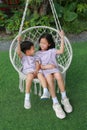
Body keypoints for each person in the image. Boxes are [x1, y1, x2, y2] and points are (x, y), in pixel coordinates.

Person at [35, 30, 73, 119]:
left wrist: (62, 38)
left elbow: (62, 50)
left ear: (49, 44)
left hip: (54, 68)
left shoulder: (52, 51)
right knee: (50, 80)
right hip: (45, 70)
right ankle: (55, 103)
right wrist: (45, 67)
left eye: (44, 43)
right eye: (41, 43)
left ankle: (64, 99)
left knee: (59, 76)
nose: (42, 45)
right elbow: (38, 65)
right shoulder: (38, 53)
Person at [17, 36, 51, 109]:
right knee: (29, 76)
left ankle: (45, 91)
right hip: (28, 72)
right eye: (32, 49)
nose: (34, 49)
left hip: (36, 71)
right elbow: (18, 52)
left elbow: (37, 64)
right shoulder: (24, 57)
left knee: (40, 75)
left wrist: (36, 70)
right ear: (27, 51)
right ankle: (27, 98)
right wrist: (18, 42)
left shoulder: (35, 56)